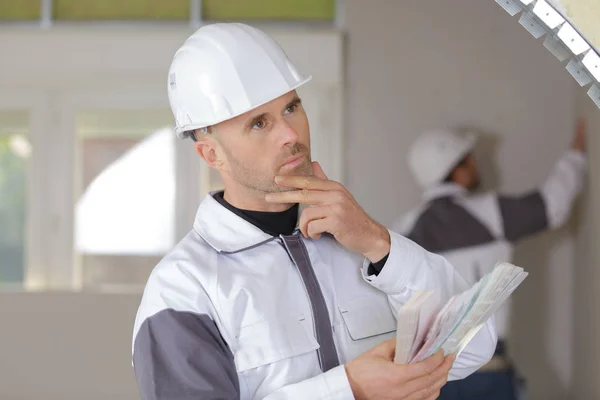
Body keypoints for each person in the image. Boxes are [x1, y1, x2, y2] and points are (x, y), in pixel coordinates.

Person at [131, 23, 497, 400]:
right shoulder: (183, 288)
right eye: (259, 123)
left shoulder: (360, 246)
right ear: (211, 154)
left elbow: (473, 348)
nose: (290, 134)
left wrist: (378, 243)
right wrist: (350, 390)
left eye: (291, 107)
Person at [392, 122, 588, 400]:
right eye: (469, 159)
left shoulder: (401, 232)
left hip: (428, 381)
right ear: (456, 169)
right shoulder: (490, 214)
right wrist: (577, 153)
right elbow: (553, 204)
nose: (475, 165)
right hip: (487, 376)